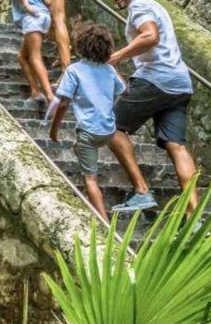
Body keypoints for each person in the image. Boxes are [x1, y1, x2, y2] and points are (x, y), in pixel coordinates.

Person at [106, 0, 199, 213]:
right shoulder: (155, 6)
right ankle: (194, 216)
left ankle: (142, 191)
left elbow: (150, 36)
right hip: (180, 82)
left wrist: (117, 56)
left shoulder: (139, 6)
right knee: (176, 146)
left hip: (156, 78)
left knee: (111, 126)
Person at [48, 23, 159, 220]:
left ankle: (103, 222)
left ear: (79, 46)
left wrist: (54, 130)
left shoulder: (74, 70)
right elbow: (124, 90)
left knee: (91, 179)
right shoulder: (109, 70)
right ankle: (79, 148)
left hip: (88, 132)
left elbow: (63, 103)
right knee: (84, 146)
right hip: (108, 131)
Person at [7, 0, 55, 112]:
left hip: (32, 17)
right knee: (23, 57)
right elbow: (49, 1)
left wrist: (27, 5)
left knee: (35, 57)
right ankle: (35, 92)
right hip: (44, 17)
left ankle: (50, 96)